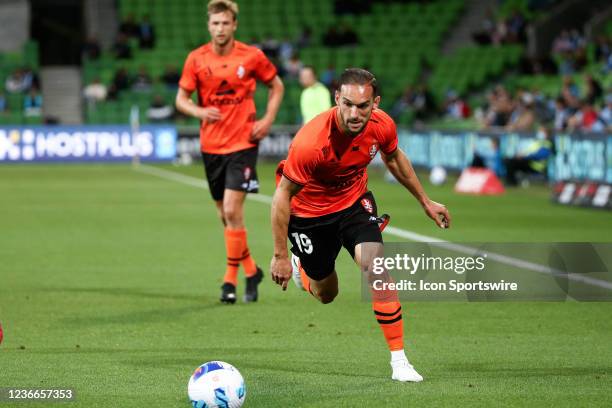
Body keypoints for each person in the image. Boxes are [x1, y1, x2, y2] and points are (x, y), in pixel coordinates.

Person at [270, 68, 450, 382]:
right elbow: (282, 195)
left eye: (363, 106)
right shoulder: (311, 143)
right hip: (309, 216)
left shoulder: (382, 125)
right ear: (337, 99)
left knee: (376, 267)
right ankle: (304, 270)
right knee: (328, 294)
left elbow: (394, 159)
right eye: (348, 104)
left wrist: (425, 201)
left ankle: (399, 361)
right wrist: (281, 255)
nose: (355, 113)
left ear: (375, 103)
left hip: (354, 205)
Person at [175, 0, 284, 304]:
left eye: (225, 23)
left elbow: (276, 86)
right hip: (211, 146)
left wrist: (268, 119)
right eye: (215, 24)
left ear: (234, 25)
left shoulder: (251, 56)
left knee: (234, 211)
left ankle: (229, 281)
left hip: (243, 144)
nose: (220, 29)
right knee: (226, 216)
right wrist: (199, 111)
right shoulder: (196, 59)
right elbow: (180, 99)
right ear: (208, 25)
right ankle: (252, 270)